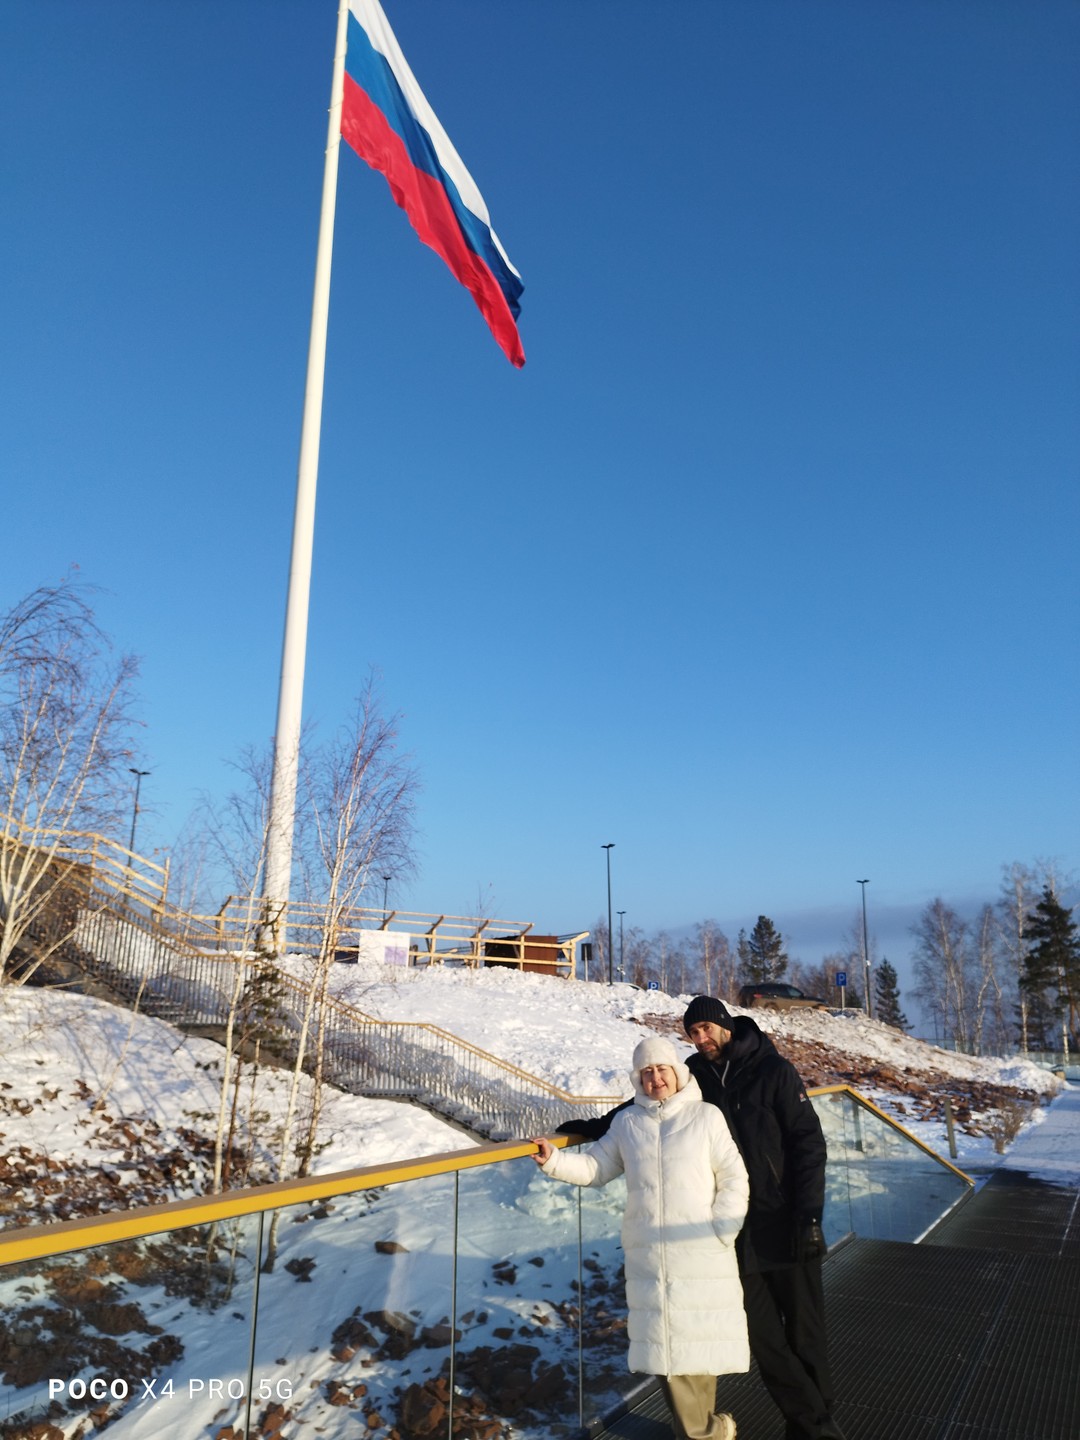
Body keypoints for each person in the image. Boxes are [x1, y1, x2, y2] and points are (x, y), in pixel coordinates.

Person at [559, 999, 844, 1440]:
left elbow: (809, 1145)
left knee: (805, 1335)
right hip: (738, 1233)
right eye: (692, 1033)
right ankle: (812, 1426)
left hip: (786, 1221)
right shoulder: (698, 1074)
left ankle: (815, 1427)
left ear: (726, 1025)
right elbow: (642, 1108)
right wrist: (591, 1128)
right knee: (767, 1344)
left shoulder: (774, 1071)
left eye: (706, 1029)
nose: (701, 1039)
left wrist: (809, 1218)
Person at [534, 1035, 750, 1440]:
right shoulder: (627, 1123)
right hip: (652, 1257)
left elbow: (735, 1177)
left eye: (661, 1069)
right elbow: (596, 1168)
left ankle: (707, 1429)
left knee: (698, 1345)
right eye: (646, 1072)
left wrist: (721, 1227)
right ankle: (707, 1430)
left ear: (677, 1072)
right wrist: (555, 1160)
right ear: (638, 1079)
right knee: (671, 1353)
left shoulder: (705, 1117)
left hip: (700, 1249)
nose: (655, 1078)